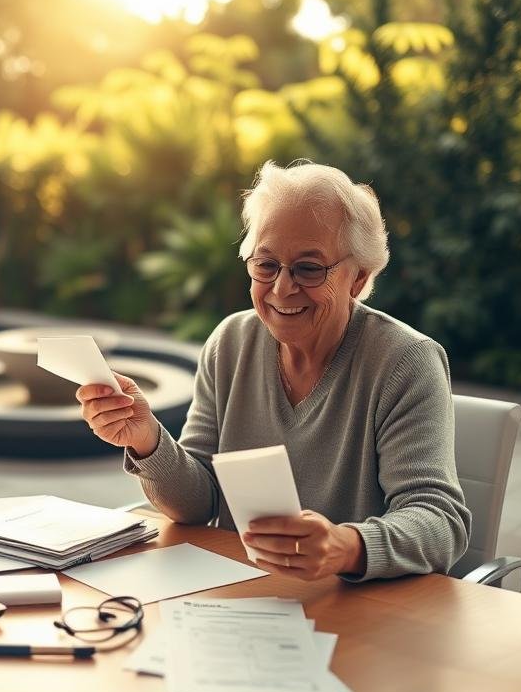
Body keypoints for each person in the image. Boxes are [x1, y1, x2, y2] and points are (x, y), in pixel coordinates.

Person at [78, 160, 470, 581]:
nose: (283, 288)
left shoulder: (405, 363)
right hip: (238, 592)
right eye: (266, 265)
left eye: (309, 268)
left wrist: (346, 547)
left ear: (357, 277)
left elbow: (440, 522)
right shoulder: (230, 343)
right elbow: (199, 502)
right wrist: (147, 440)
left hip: (354, 608)